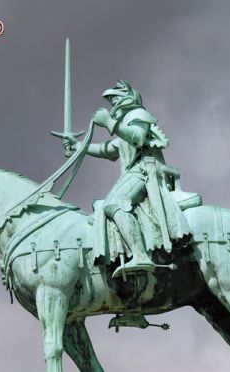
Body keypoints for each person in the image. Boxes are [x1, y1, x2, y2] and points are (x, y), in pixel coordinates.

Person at [64, 80, 187, 278]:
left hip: (144, 170)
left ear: (126, 98)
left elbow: (137, 137)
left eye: (114, 100)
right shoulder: (126, 123)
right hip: (134, 172)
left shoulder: (138, 115)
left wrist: (109, 123)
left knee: (115, 203)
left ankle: (140, 255)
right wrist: (79, 147)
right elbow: (110, 150)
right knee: (104, 207)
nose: (112, 105)